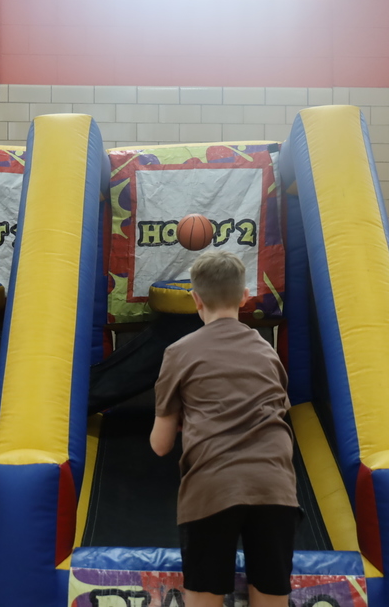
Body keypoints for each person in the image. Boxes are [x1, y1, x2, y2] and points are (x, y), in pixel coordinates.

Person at [150, 250, 300, 607]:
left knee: (204, 595)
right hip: (274, 487)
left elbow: (161, 444)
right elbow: (277, 412)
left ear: (195, 299)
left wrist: (187, 417)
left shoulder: (179, 352)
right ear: (245, 296)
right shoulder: (267, 352)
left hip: (213, 487)